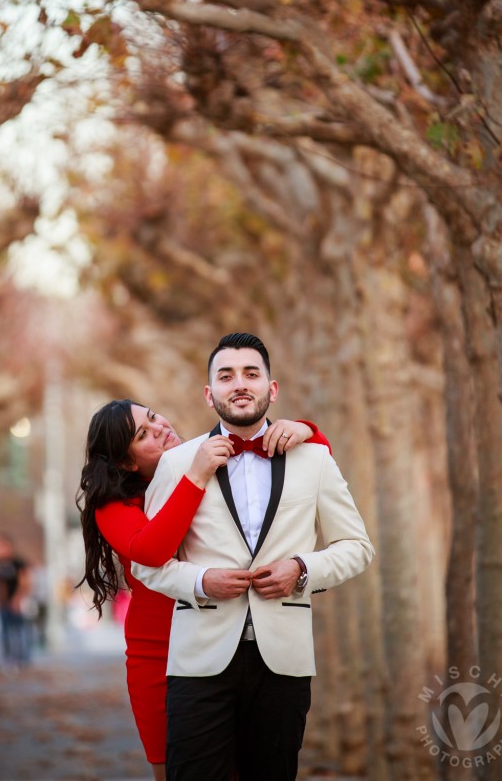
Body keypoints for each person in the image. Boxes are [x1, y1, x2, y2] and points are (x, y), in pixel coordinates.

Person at [133, 332, 374, 781]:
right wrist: (202, 581)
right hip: (199, 661)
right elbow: (147, 564)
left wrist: (302, 569)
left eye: (251, 373)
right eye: (226, 376)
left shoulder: (314, 459)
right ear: (210, 394)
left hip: (283, 660)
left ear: (272, 388)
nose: (239, 384)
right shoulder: (177, 463)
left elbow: (357, 548)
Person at [77, 399, 331, 781]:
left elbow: (314, 465)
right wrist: (194, 477)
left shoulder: (210, 460)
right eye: (142, 435)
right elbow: (150, 550)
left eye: (152, 416)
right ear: (127, 462)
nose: (159, 427)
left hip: (229, 643)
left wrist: (306, 429)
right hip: (159, 654)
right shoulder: (116, 505)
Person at [0, 533, 32, 667]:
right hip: (3, 603)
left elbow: (25, 582)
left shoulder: (18, 563)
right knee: (4, 631)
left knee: (19, 631)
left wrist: (18, 598)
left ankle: (22, 658)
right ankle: (7, 657)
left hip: (17, 601)